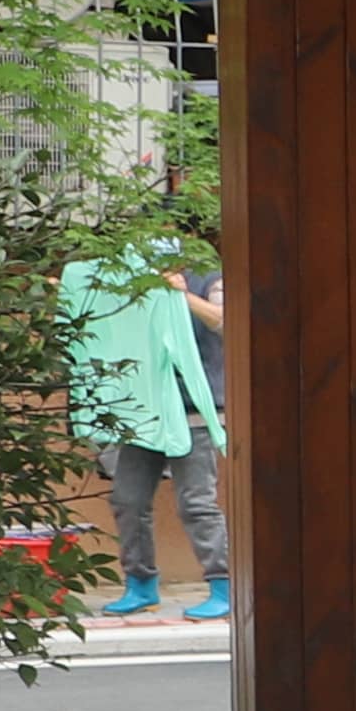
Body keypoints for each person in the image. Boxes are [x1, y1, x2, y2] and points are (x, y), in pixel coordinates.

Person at [60, 245, 224, 624]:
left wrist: (180, 295)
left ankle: (223, 585)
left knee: (196, 502)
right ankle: (141, 584)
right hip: (143, 410)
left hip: (194, 410)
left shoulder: (209, 277)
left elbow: (224, 320)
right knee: (128, 499)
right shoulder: (131, 280)